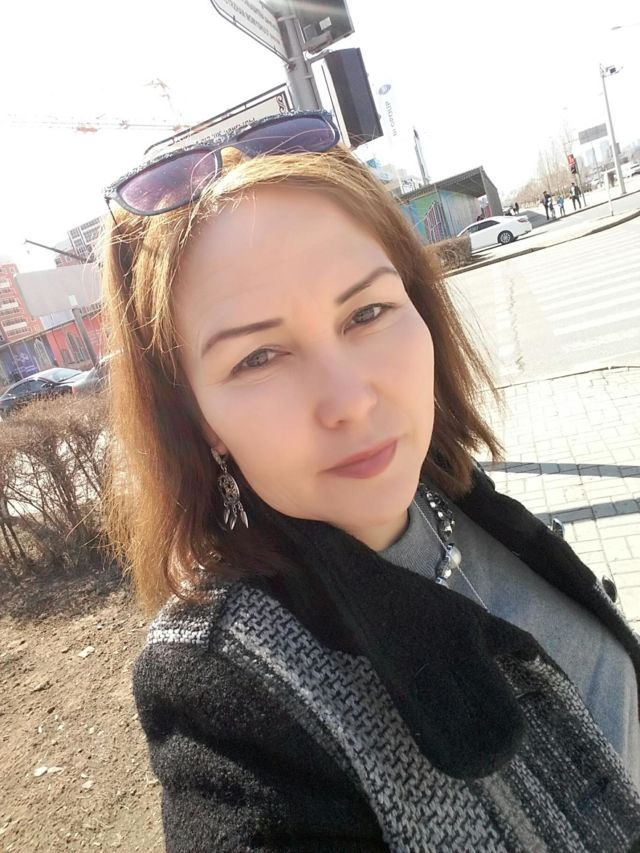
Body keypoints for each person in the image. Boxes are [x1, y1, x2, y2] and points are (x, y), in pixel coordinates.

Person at [102, 110, 640, 852]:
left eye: (368, 312)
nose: (351, 399)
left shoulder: (453, 498)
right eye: (257, 357)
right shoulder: (229, 689)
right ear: (199, 418)